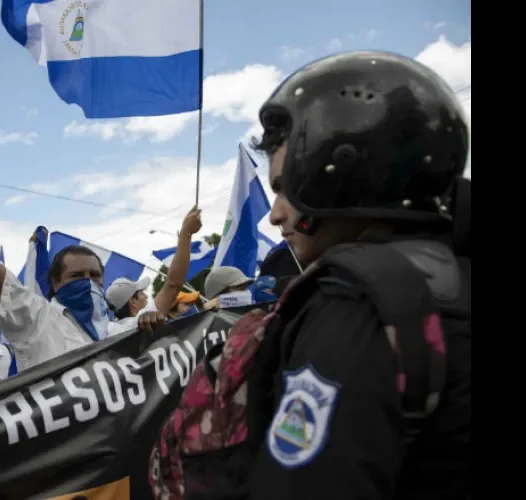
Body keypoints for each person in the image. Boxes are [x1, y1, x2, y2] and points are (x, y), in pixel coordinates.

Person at [163, 50, 471, 499]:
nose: (274, 215)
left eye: (286, 188)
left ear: (343, 171)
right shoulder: (450, 273)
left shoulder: (356, 304)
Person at [0, 129, 115, 370]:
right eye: (77, 276)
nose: (88, 283)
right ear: (55, 284)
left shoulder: (122, 330)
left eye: (95, 276)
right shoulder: (36, 319)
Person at [107, 207, 203, 336]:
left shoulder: (110, 330)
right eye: (141, 293)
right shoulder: (136, 323)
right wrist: (186, 233)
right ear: (132, 301)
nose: (146, 296)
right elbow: (173, 284)